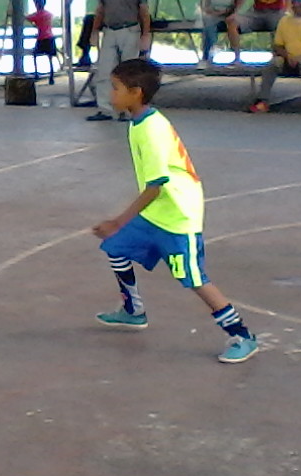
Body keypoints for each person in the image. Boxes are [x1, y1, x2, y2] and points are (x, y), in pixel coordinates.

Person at [91, 58, 259, 364]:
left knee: (194, 279)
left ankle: (242, 335)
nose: (110, 93)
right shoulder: (139, 120)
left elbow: (155, 185)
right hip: (158, 210)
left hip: (177, 215)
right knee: (116, 249)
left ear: (136, 92)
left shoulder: (151, 130)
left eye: (115, 88)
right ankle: (133, 310)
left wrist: (118, 220)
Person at [85, 0, 151, 121]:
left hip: (130, 30)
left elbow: (144, 10)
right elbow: (101, 8)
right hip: (109, 29)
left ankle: (129, 110)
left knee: (128, 73)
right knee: (104, 71)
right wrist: (94, 31)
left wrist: (146, 34)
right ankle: (105, 109)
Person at [198, 0, 239, 67]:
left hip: (228, 15)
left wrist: (224, 12)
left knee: (227, 22)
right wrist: (210, 11)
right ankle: (209, 52)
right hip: (213, 15)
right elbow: (206, 5)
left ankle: (211, 53)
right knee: (208, 21)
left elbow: (235, 6)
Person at [28, 0, 59, 84]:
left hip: (42, 38)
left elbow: (28, 17)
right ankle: (51, 76)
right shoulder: (49, 14)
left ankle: (37, 74)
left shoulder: (37, 15)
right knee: (50, 58)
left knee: (35, 55)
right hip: (50, 37)